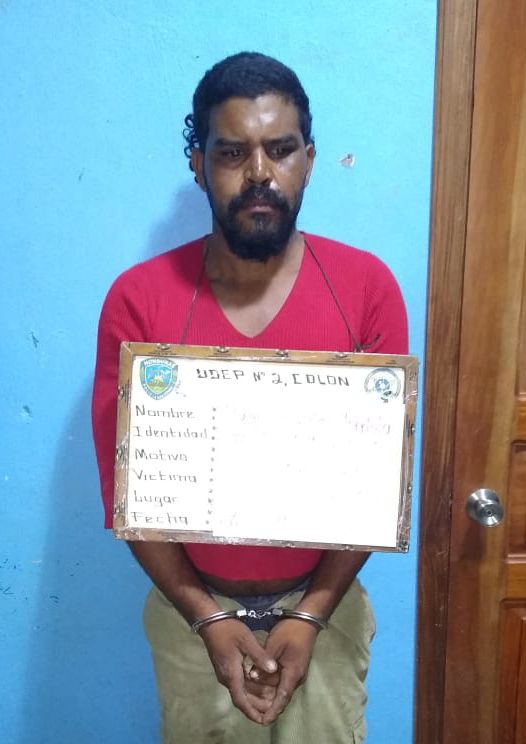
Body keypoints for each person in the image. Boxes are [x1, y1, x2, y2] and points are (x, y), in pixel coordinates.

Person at [92, 51, 408, 744]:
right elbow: (127, 493)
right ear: (199, 165)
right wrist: (207, 616)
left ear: (309, 161)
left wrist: (310, 612)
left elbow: (375, 483)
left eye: (281, 149)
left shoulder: (367, 289)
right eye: (233, 152)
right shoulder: (139, 300)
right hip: (189, 616)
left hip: (327, 612)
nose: (260, 173)